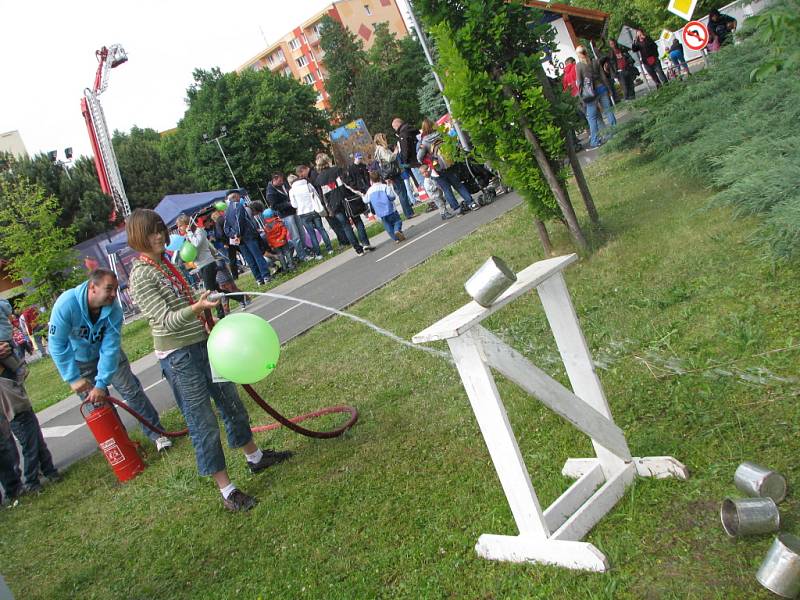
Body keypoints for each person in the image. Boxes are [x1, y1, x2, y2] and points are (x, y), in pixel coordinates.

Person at [126, 209, 292, 512]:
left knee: (231, 403)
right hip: (179, 357)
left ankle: (255, 458)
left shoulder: (165, 264)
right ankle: (227, 490)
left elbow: (184, 303)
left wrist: (202, 301)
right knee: (202, 422)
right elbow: (165, 320)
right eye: (152, 232)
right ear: (138, 237)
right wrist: (196, 308)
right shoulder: (141, 275)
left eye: (160, 230)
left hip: (204, 345)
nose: (160, 236)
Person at [49, 269, 173, 452]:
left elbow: (110, 347)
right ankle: (122, 447)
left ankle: (157, 435)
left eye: (115, 289)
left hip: (109, 357)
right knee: (97, 405)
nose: (114, 294)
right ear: (93, 287)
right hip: (81, 362)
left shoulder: (114, 308)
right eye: (109, 289)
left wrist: (101, 383)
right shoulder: (66, 305)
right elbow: (57, 345)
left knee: (132, 392)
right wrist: (73, 378)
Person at [1, 341, 60, 494]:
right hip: (10, 400)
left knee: (34, 437)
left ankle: (48, 470)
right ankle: (31, 481)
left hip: (14, 392)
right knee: (29, 442)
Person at [315, 153, 373, 255]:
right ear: (328, 160)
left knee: (346, 226)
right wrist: (359, 192)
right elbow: (348, 183)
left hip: (334, 205)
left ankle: (358, 249)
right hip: (347, 199)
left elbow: (322, 197)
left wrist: (328, 209)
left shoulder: (319, 180)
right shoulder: (337, 170)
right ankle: (365, 243)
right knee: (357, 220)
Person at [417, 118, 476, 214]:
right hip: (449, 163)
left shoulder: (425, 142)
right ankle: (471, 203)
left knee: (446, 189)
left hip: (437, 168)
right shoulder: (442, 134)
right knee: (458, 185)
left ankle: (456, 209)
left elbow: (419, 157)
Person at [177, 214, 225, 320]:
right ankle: (241, 297)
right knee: (215, 288)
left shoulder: (199, 231)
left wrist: (189, 233)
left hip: (208, 263)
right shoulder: (187, 236)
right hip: (201, 265)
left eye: (180, 226)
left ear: (186, 225)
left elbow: (196, 244)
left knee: (209, 291)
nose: (179, 228)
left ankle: (219, 313)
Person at [223, 190, 272, 285]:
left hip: (239, 239)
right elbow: (239, 221)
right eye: (239, 196)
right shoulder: (238, 206)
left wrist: (233, 235)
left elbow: (226, 227)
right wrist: (238, 234)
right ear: (236, 197)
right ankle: (265, 276)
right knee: (257, 256)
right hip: (247, 235)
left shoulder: (227, 211)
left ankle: (258, 279)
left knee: (249, 259)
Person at [576, 45, 617, 149]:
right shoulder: (595, 61)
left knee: (592, 118)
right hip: (601, 88)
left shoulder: (579, 65)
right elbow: (603, 76)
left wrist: (581, 96)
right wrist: (608, 89)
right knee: (609, 111)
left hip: (590, 93)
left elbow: (580, 82)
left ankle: (594, 140)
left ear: (580, 54)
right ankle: (615, 132)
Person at [290, 165, 333, 259]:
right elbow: (316, 195)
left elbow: (294, 205)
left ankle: (319, 254)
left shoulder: (292, 190)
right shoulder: (307, 184)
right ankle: (329, 248)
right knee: (321, 229)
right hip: (313, 210)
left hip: (303, 213)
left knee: (311, 233)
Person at [266, 173, 309, 263]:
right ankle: (302, 256)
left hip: (294, 211)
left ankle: (306, 250)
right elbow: (274, 206)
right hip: (286, 215)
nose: (282, 182)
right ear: (275, 179)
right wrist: (288, 204)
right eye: (280, 180)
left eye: (282, 180)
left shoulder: (284, 184)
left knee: (302, 232)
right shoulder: (270, 192)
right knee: (295, 236)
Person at [374, 133, 415, 219]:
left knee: (400, 192)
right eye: (384, 138)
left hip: (390, 173)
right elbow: (389, 158)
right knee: (402, 192)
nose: (386, 139)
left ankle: (409, 212)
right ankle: (409, 213)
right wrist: (395, 152)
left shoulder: (377, 150)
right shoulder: (381, 149)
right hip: (393, 173)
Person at [364, 171, 405, 243]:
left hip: (380, 212)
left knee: (388, 226)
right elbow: (392, 197)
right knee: (397, 221)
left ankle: (396, 239)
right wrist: (389, 186)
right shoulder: (384, 186)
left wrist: (362, 195)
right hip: (390, 209)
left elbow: (366, 200)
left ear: (371, 181)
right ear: (380, 178)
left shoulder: (370, 190)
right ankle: (397, 230)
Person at [0, 298, 27, 383]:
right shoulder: (3, 303)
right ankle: (20, 368)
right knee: (10, 351)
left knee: (5, 354)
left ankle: (19, 371)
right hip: (7, 332)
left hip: (2, 335)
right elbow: (10, 317)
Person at [261, 208, 295, 273]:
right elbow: (284, 230)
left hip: (275, 244)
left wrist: (271, 244)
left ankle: (284, 268)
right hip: (283, 241)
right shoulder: (279, 221)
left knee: (280, 255)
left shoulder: (266, 227)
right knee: (287, 253)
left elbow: (268, 237)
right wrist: (281, 238)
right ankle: (291, 266)